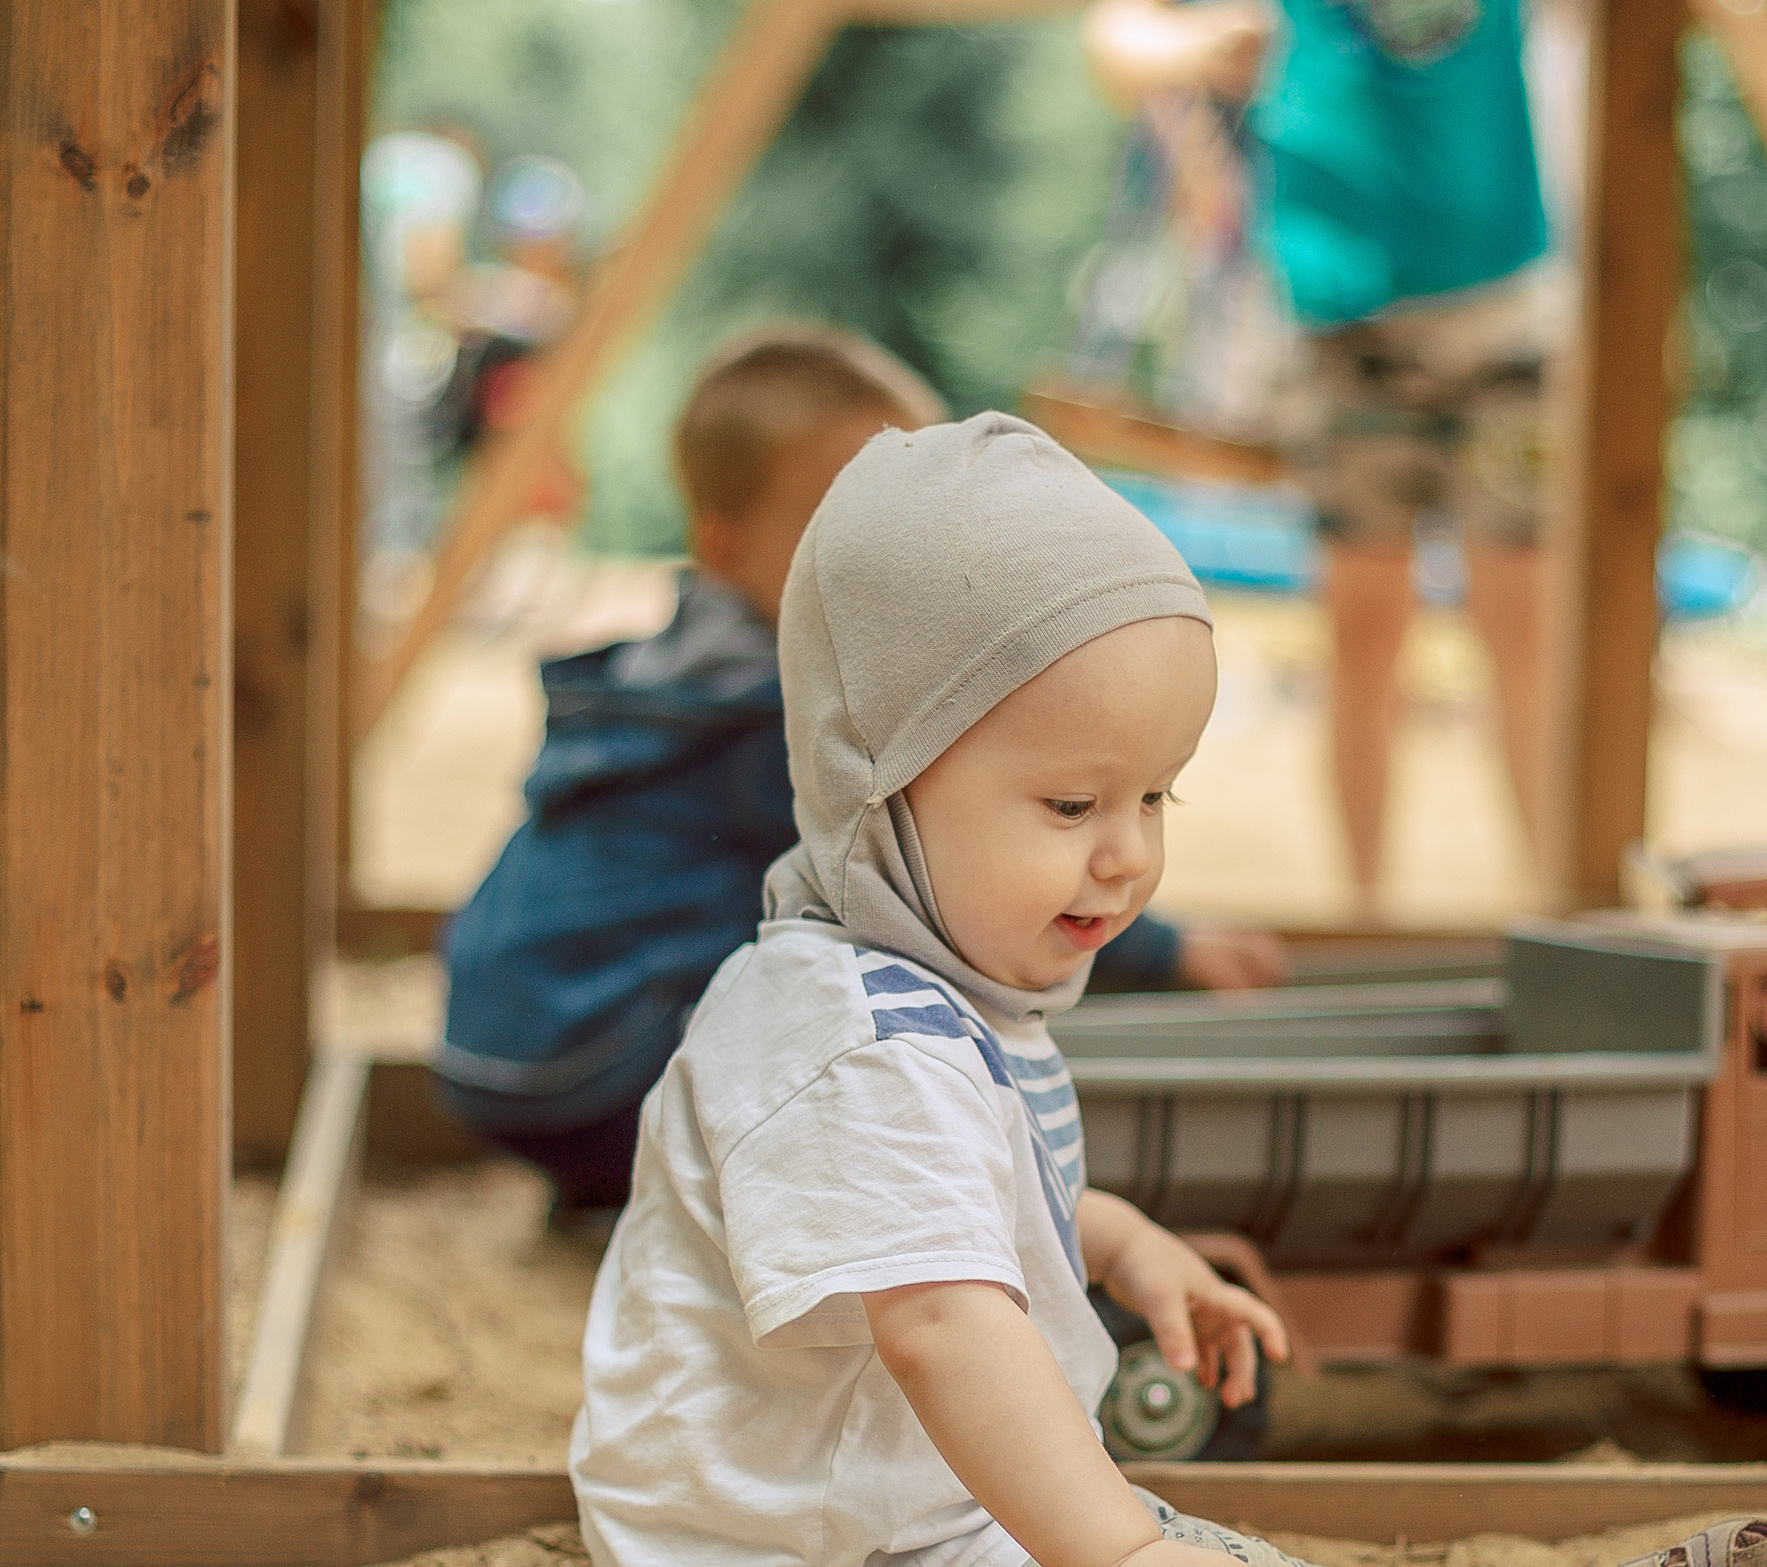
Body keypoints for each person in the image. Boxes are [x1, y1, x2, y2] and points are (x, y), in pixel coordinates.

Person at [569, 414, 1767, 1567]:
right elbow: (936, 1317)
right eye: (1070, 806)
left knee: (1207, 1564)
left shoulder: (925, 983)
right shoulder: (858, 1038)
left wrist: (1126, 1242)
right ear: (878, 781)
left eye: (1156, 797)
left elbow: (964, 1209)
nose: (1126, 858)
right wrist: (1119, 1557)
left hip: (871, 1544)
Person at [436, 326, 1284, 1220]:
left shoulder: (674, 671)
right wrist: (1169, 950)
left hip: (506, 1048)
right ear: (726, 550)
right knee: (903, 1006)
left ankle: (627, 1189)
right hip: (602, 1062)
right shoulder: (773, 712)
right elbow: (960, 874)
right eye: (839, 523)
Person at [1084, 0, 1556, 919]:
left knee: (1527, 624)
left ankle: (1553, 899)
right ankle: (1366, 907)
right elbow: (1119, 39)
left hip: (1500, 320)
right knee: (1364, 628)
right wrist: (1204, 45)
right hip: (1346, 334)